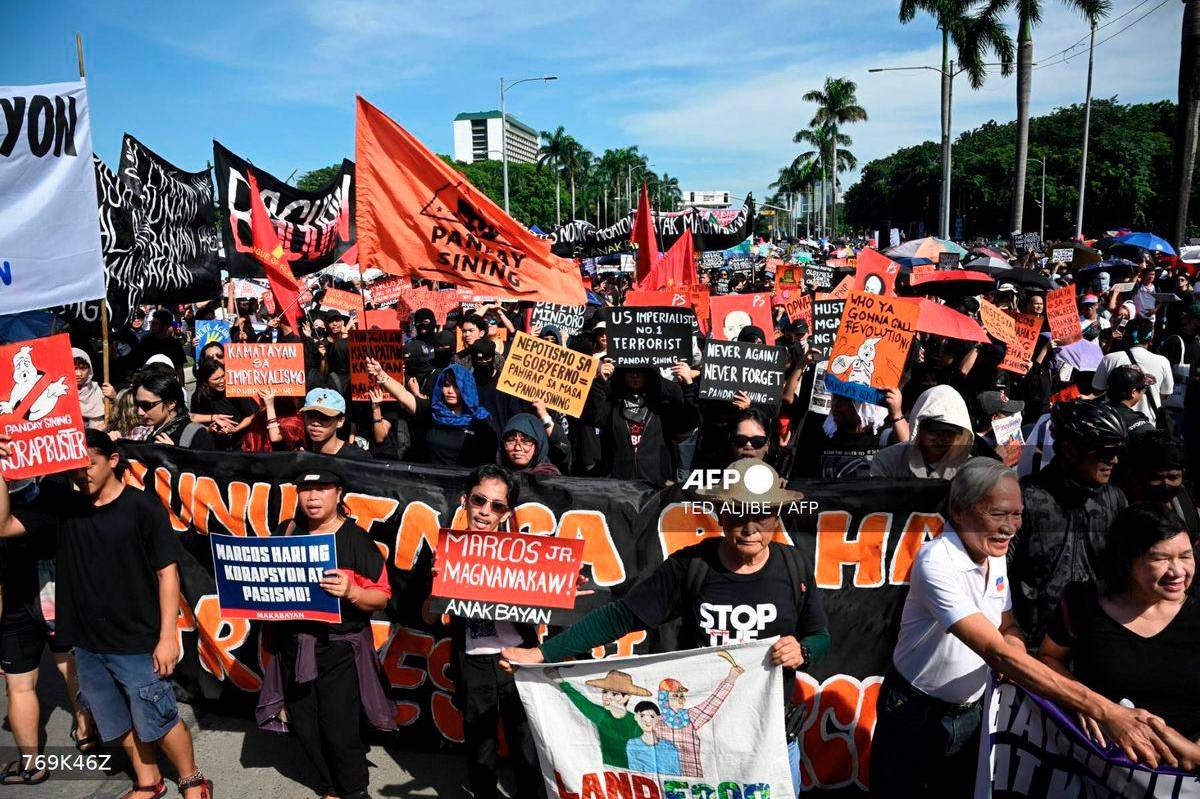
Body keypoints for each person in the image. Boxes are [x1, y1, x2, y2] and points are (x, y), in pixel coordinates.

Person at [502, 459, 830, 795]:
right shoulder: (692, 565)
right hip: (707, 747)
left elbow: (820, 637)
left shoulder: (794, 567)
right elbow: (621, 617)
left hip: (773, 742)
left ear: (776, 516)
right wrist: (542, 653)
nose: (750, 528)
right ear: (720, 514)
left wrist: (802, 652)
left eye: (762, 515)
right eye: (739, 515)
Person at [870, 459, 1186, 797]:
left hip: (974, 712)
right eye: (998, 514)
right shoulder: (936, 563)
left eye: (1017, 514)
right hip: (914, 715)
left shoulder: (992, 550)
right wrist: (1103, 710)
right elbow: (994, 651)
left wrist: (1016, 647)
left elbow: (1006, 626)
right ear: (959, 511)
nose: (1011, 527)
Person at [0, 429, 213, 799]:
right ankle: (148, 781)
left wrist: (166, 637)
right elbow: (3, 525)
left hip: (137, 638)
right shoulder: (62, 506)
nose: (82, 475)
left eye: (90, 465)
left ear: (113, 460)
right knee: (116, 721)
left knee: (159, 718)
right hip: (86, 641)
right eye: (75, 469)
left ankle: (192, 778)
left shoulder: (142, 507)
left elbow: (168, 573)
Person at [256, 468, 394, 799]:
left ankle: (354, 790)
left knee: (339, 728)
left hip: (338, 650)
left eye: (322, 489)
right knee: (304, 723)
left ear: (339, 494)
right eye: (305, 489)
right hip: (293, 647)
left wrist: (353, 593)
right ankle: (330, 786)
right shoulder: (286, 532)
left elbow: (382, 595)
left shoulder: (356, 539)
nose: (313, 497)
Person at [1039, 503, 1200, 748]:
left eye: (1186, 556)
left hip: (1184, 777)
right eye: (1160, 558)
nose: (1178, 571)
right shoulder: (1083, 604)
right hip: (1098, 767)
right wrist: (1083, 701)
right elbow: (1049, 658)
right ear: (1127, 560)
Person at [427, 466, 544, 799]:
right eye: (480, 500)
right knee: (480, 748)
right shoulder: (444, 551)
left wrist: (564, 588)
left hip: (518, 659)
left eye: (497, 505)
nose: (485, 511)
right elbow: (428, 615)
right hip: (473, 662)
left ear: (506, 513)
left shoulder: (525, 554)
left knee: (527, 746)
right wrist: (437, 587)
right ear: (466, 500)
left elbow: (551, 602)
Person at [0, 477, 98, 786]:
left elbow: (3, 526)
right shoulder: (56, 485)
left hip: (39, 592)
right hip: (34, 591)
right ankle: (84, 730)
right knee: (60, 666)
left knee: (36, 677)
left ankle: (34, 762)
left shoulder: (48, 493)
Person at [1011, 399, 1129, 643]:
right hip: (1030, 643)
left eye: (1117, 452)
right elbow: (996, 576)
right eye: (1106, 453)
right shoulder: (1024, 499)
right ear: (1070, 449)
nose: (1114, 461)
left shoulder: (1116, 499)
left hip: (1093, 642)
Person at [372, 361, 498, 467]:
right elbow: (403, 395)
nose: (450, 391)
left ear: (466, 388)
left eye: (456, 387)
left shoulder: (479, 422)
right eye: (446, 385)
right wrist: (381, 374)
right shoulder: (433, 411)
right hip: (431, 486)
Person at [871, 384, 976, 479]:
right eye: (934, 432)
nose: (940, 440)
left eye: (949, 434)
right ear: (918, 428)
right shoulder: (887, 460)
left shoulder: (968, 468)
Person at [1093, 317, 1174, 425]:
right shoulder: (1163, 361)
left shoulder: (1109, 359)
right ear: (1151, 338)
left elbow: (1098, 389)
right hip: (1147, 426)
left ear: (1125, 335)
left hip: (1114, 425)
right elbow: (1166, 394)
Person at [134, 371, 215, 449]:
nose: (140, 412)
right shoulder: (149, 432)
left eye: (147, 405)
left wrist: (174, 455)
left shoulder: (197, 436)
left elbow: (211, 462)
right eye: (137, 405)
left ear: (171, 404)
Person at [189, 358, 256, 451]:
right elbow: (193, 421)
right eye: (216, 379)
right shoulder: (198, 398)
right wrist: (209, 429)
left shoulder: (234, 389)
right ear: (205, 381)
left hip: (241, 444)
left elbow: (251, 415)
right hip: (216, 447)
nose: (222, 381)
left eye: (223, 376)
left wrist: (235, 429)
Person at [298, 388, 374, 461]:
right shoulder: (300, 455)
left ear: (340, 421)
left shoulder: (357, 458)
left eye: (324, 417)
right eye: (310, 415)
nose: (315, 423)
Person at [132, 310, 187, 383]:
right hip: (148, 383)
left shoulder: (175, 344)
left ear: (166, 326)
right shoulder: (145, 341)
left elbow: (179, 368)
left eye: (155, 323)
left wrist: (182, 387)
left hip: (167, 384)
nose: (151, 325)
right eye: (151, 322)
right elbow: (137, 364)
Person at [1103, 364, 1156, 439]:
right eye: (1144, 388)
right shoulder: (1141, 427)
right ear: (1133, 392)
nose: (1143, 392)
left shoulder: (1097, 412)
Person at [73, 348, 107, 431]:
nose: (79, 374)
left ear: (90, 369)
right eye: (74, 368)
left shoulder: (96, 390)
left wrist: (113, 398)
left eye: (83, 369)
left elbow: (112, 416)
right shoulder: (59, 393)